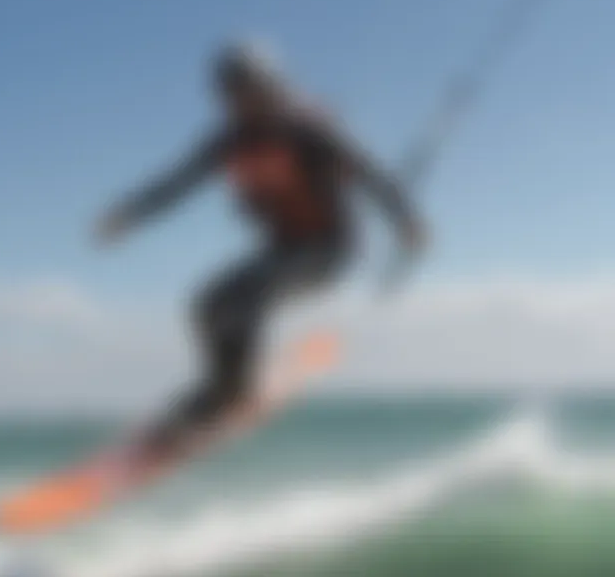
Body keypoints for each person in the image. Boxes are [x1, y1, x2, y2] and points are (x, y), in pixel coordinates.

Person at [93, 42, 427, 455]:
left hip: (328, 251)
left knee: (249, 294)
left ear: (272, 87)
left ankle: (237, 392)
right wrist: (128, 214)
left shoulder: (307, 133)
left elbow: (372, 173)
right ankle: (221, 387)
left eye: (249, 89)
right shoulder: (227, 143)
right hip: (281, 252)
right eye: (231, 93)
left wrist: (406, 220)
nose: (240, 101)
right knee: (206, 304)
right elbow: (175, 185)